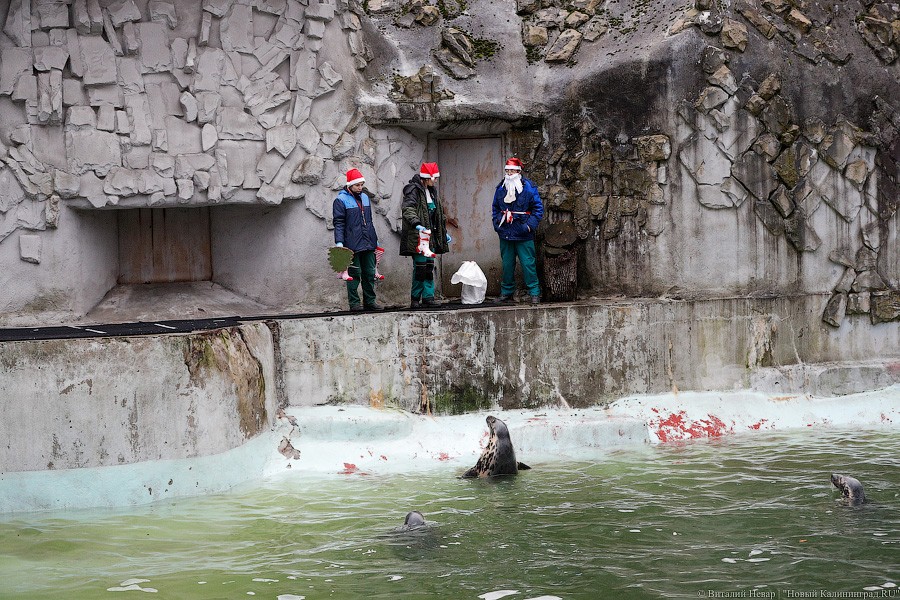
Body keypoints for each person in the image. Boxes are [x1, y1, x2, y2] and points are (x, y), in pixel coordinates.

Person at [492, 157, 544, 304]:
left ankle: (534, 292)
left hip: (523, 233)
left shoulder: (529, 188)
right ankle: (506, 292)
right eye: (507, 170)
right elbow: (495, 208)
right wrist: (497, 224)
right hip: (505, 232)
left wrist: (528, 226)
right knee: (507, 264)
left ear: (518, 171)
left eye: (512, 170)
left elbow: (538, 210)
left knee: (528, 263)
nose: (509, 173)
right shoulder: (500, 188)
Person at [400, 162, 450, 308]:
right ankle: (415, 298)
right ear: (427, 177)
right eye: (434, 177)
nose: (435, 180)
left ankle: (428, 297)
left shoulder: (432, 192)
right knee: (420, 267)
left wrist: (443, 232)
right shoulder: (413, 191)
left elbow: (438, 214)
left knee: (429, 267)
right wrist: (417, 224)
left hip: (430, 236)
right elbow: (408, 209)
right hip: (419, 236)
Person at [333, 168, 384, 311]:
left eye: (362, 184)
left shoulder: (366, 198)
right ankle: (354, 303)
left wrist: (375, 240)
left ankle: (370, 301)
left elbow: (369, 221)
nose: (360, 188)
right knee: (354, 273)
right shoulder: (340, 200)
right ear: (350, 185)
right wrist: (339, 242)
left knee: (369, 272)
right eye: (357, 185)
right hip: (351, 244)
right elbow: (339, 223)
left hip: (368, 242)